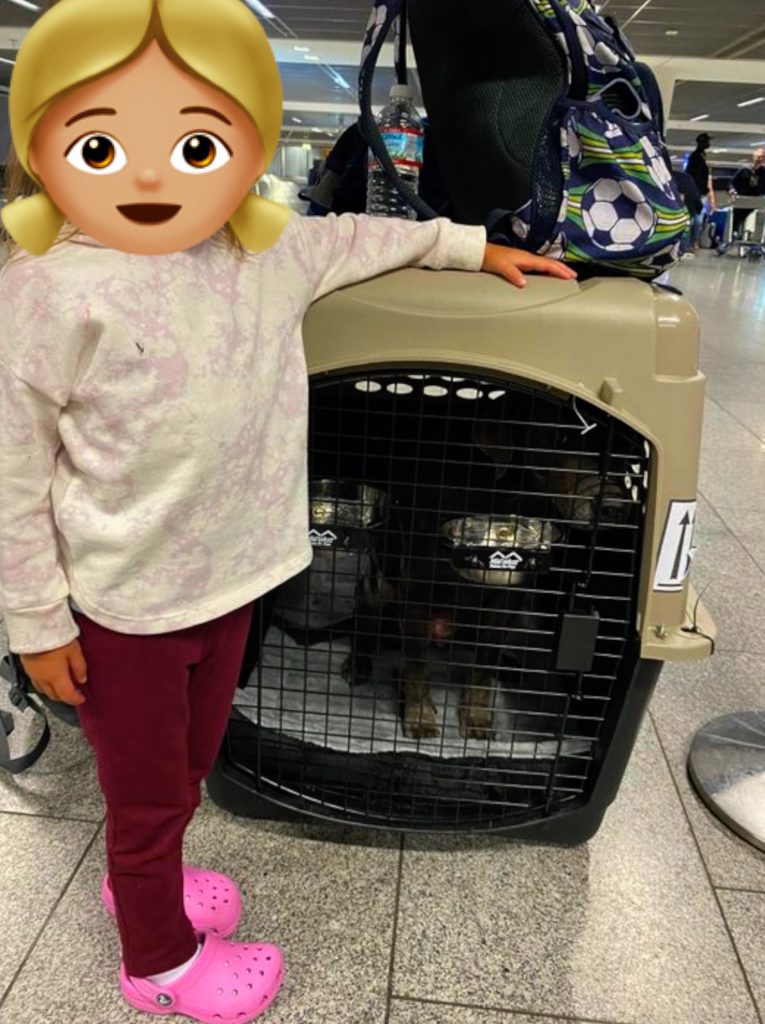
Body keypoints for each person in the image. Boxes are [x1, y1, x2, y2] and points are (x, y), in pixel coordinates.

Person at [0, 1, 576, 1022]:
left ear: (249, 147)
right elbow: (10, 475)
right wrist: (36, 622)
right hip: (121, 607)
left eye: (192, 142)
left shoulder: (265, 257)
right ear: (40, 149)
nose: (147, 176)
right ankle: (159, 962)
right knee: (142, 795)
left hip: (234, 583)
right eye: (99, 142)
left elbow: (359, 236)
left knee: (184, 770)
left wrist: (472, 248)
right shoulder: (42, 289)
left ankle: (154, 883)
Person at [685, 132, 717, 251]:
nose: (709, 143)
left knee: (696, 218)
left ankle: (692, 242)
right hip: (695, 194)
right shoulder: (696, 157)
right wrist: (697, 193)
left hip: (698, 192)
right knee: (695, 219)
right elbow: (695, 177)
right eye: (707, 141)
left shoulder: (701, 156)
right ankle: (690, 243)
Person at [729, 147, 765, 239]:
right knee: (736, 221)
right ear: (753, 157)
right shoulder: (744, 170)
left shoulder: (763, 173)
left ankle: (750, 236)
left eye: (762, 157)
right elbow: (732, 183)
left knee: (753, 221)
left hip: (756, 202)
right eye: (758, 156)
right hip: (742, 201)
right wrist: (732, 191)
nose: (759, 159)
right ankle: (735, 235)